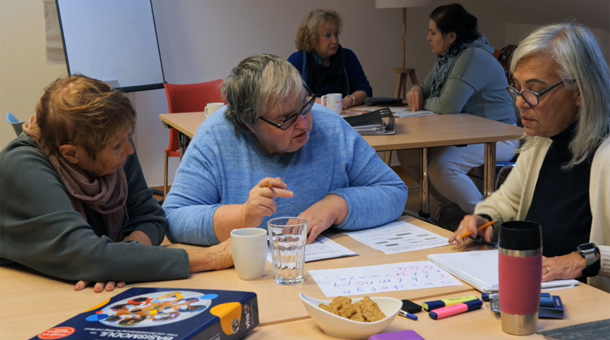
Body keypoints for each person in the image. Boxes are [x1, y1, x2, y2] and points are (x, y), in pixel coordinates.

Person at [0, 75, 233, 293]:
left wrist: (124, 260)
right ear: (70, 154)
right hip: (27, 292)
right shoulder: (22, 166)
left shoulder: (112, 138)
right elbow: (85, 256)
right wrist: (211, 258)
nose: (129, 151)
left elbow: (149, 217)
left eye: (127, 138)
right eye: (117, 147)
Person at [163, 54, 407, 246]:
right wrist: (242, 216)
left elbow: (394, 191)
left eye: (305, 106)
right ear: (248, 122)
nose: (303, 124)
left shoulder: (329, 126)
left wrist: (334, 206)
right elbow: (173, 219)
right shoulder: (216, 138)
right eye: (285, 119)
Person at [449, 23, 610, 293]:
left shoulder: (605, 153)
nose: (520, 102)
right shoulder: (541, 141)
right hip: (537, 289)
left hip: (591, 305)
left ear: (579, 92)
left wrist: (584, 259)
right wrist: (484, 217)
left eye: (534, 91)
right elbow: (507, 202)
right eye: (517, 88)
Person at [396, 3, 519, 226]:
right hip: (469, 135)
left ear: (451, 36)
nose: (428, 38)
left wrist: (422, 100)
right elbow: (424, 87)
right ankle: (453, 207)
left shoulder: (472, 57)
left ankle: (487, 219)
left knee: (443, 167)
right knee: (409, 154)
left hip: (500, 136)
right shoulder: (450, 57)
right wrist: (415, 90)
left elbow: (447, 106)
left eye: (433, 33)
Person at [287, 9, 372, 110]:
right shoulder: (297, 60)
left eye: (336, 34)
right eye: (328, 35)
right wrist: (325, 103)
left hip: (345, 116)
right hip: (310, 118)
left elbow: (365, 90)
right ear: (312, 38)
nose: (335, 41)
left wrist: (348, 101)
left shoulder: (348, 57)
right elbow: (289, 97)